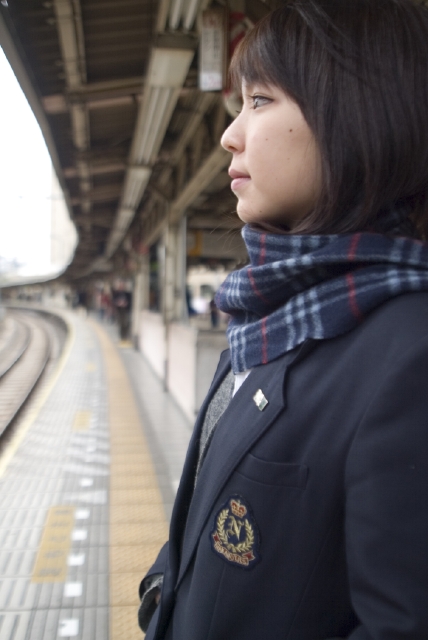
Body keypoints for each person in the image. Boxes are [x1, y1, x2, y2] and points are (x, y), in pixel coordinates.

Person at [138, 1, 428, 638]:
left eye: (260, 101)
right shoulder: (264, 317)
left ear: (357, 114)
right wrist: (162, 590)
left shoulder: (409, 354)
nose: (230, 135)